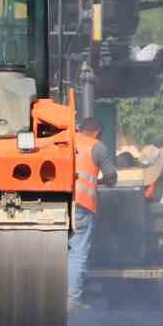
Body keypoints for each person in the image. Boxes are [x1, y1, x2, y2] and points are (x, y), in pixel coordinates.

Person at [68, 115, 118, 311]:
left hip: (57, 203)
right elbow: (111, 178)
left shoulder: (66, 140)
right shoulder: (97, 147)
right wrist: (99, 182)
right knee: (77, 253)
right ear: (97, 132)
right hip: (81, 205)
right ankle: (72, 300)